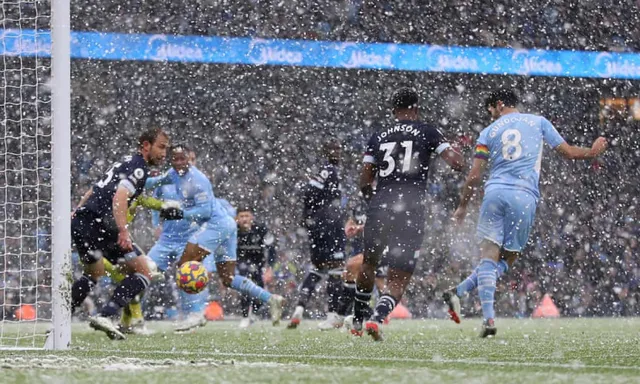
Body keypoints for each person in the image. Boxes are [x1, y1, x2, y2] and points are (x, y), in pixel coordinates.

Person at [446, 89, 608, 337]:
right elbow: (569, 152)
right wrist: (593, 152)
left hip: (495, 193)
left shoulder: (488, 132)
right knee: (507, 259)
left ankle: (476, 308)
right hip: (523, 195)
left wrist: (462, 206)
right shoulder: (538, 121)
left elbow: (475, 175)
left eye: (491, 110)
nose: (491, 115)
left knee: (488, 256)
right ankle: (470, 303)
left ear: (499, 105)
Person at [353, 88, 465, 341]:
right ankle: (376, 318)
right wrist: (457, 149)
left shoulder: (378, 136)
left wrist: (377, 204)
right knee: (399, 276)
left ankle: (358, 318)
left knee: (369, 264)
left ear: (394, 110)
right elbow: (457, 163)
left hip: (380, 205)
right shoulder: (428, 131)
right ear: (416, 108)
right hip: (411, 208)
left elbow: (364, 181)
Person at [70, 127, 178, 340]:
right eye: (161, 147)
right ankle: (107, 314)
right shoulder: (139, 168)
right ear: (146, 145)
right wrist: (122, 230)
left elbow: (94, 188)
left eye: (167, 148)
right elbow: (120, 197)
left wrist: (77, 210)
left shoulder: (124, 162)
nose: (164, 153)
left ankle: (62, 319)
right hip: (102, 225)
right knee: (144, 272)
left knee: (94, 273)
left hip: (83, 221)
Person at [152, 161, 286, 326]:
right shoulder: (172, 184)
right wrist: (157, 222)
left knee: (190, 268)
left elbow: (219, 215)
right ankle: (270, 298)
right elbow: (156, 200)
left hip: (206, 236)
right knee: (227, 278)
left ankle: (196, 314)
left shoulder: (199, 189)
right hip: (205, 234)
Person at [147, 144, 218, 332]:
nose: (180, 162)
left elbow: (205, 211)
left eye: (184, 159)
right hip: (166, 239)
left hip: (189, 238)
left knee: (189, 276)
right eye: (175, 159)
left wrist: (181, 214)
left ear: (190, 159)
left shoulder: (198, 180)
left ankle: (194, 316)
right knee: (144, 270)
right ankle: (132, 317)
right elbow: (156, 204)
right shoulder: (168, 178)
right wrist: (156, 226)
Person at [288, 139, 348, 330]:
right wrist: (317, 217)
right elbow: (310, 194)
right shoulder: (329, 171)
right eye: (333, 149)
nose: (337, 152)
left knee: (317, 268)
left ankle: (299, 308)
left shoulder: (325, 172)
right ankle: (332, 315)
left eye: (339, 149)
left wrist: (309, 218)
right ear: (326, 152)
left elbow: (309, 195)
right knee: (336, 269)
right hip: (329, 224)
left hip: (319, 225)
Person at [235, 207, 277, 328]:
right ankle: (244, 316)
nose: (244, 219)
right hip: (240, 261)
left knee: (260, 287)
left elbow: (272, 249)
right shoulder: (233, 230)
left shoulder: (261, 229)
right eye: (241, 216)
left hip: (258, 262)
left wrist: (270, 268)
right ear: (237, 218)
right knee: (245, 281)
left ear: (251, 217)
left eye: (246, 216)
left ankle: (253, 312)